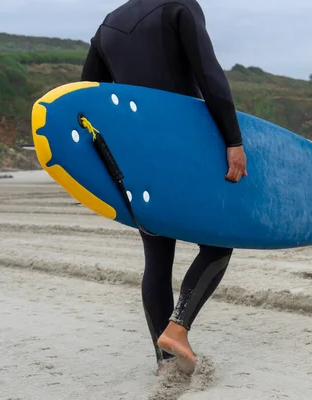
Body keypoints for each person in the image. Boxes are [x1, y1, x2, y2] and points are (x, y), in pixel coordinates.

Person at [80, 0, 247, 375]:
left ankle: (166, 363)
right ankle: (177, 330)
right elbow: (209, 75)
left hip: (136, 158)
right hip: (182, 150)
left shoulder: (108, 25)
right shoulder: (179, 6)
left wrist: (107, 165)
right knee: (219, 241)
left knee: (157, 256)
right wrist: (233, 141)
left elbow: (86, 95)